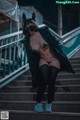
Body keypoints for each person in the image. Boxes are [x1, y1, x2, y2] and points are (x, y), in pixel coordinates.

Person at [22, 12, 75, 113]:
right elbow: (32, 56)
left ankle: (49, 104)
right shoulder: (27, 41)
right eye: (28, 27)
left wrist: (38, 27)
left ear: (35, 25)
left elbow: (55, 42)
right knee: (44, 80)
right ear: (25, 29)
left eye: (32, 25)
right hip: (43, 59)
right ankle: (38, 104)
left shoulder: (43, 32)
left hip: (54, 58)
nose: (31, 28)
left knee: (52, 81)